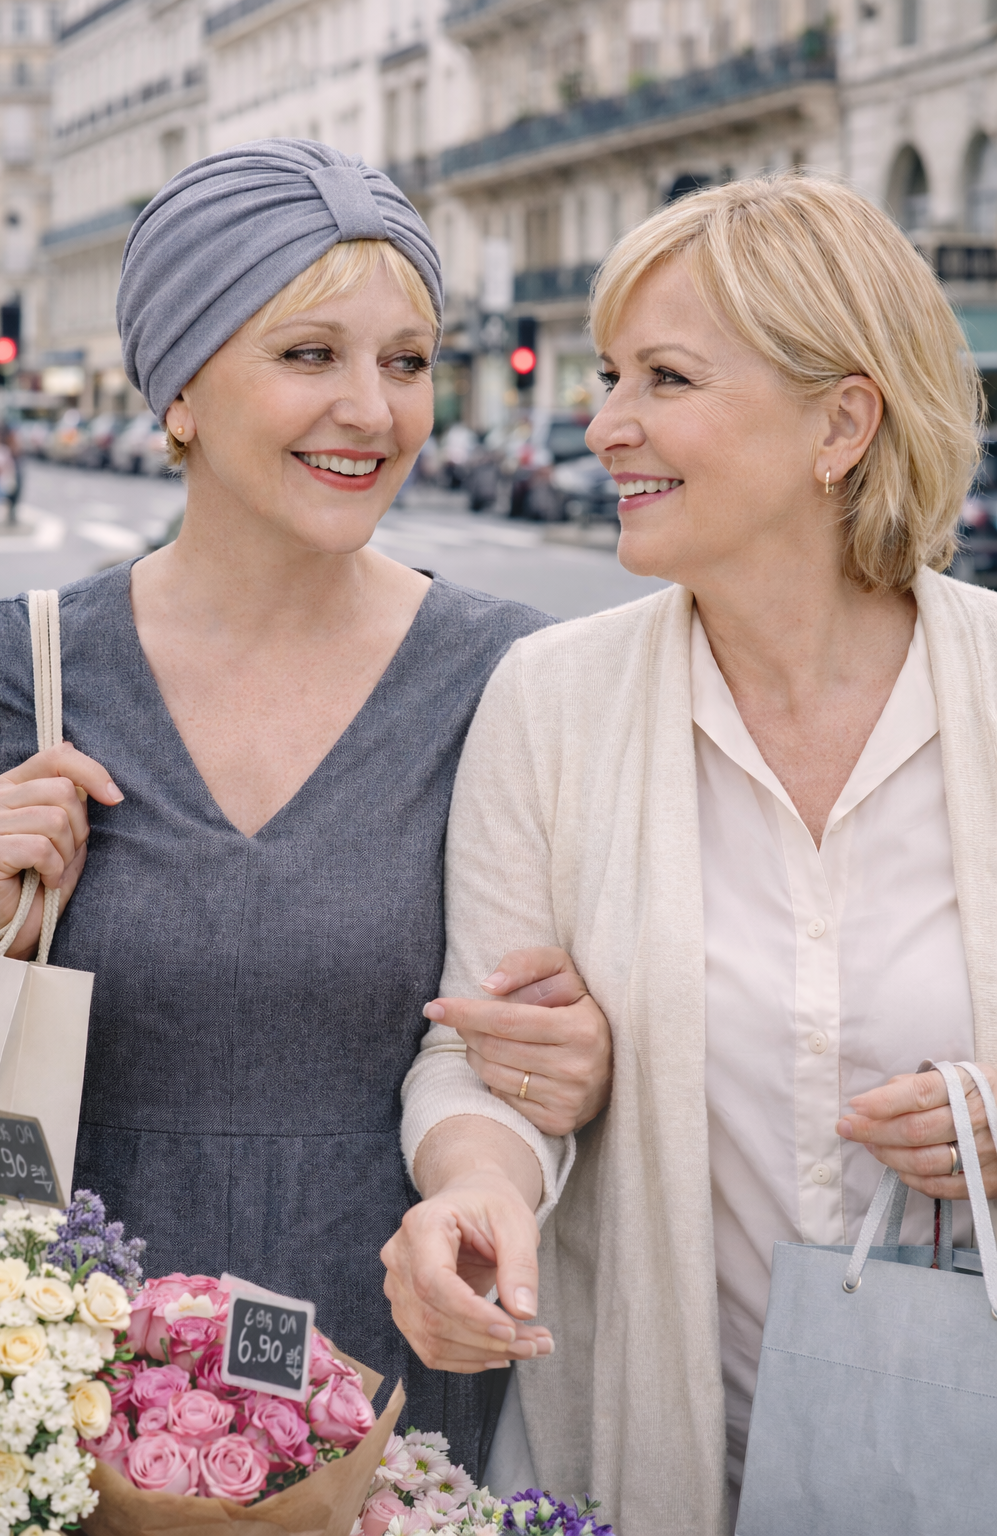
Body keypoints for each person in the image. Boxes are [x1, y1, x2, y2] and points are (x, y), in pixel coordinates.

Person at [0, 140, 610, 1477]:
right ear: (181, 389)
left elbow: (572, 1032)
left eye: (408, 360)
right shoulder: (11, 672)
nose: (372, 411)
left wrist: (594, 1056)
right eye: (311, 355)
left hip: (398, 1417)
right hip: (61, 1418)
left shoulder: (514, 674)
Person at [382, 173, 997, 1534]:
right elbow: (474, 1053)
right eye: (609, 376)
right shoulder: (550, 700)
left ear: (841, 421)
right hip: (650, 1460)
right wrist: (475, 1191)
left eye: (664, 377)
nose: (606, 427)